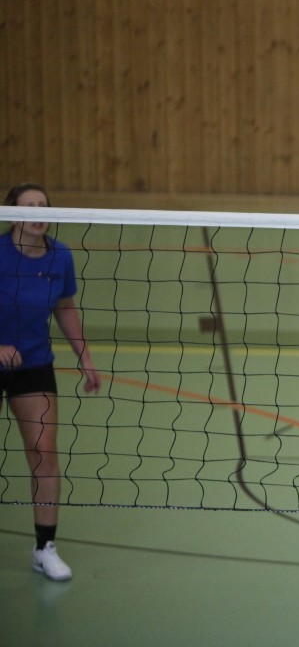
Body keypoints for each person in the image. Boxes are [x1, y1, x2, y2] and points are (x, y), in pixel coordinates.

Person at [1, 182, 103, 582]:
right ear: (12, 214)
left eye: (43, 205)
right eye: (28, 206)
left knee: (44, 451)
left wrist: (85, 356)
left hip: (34, 362)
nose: (37, 212)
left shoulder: (60, 256)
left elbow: (65, 306)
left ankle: (45, 548)